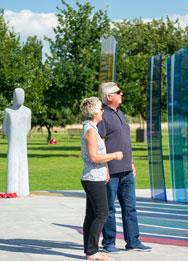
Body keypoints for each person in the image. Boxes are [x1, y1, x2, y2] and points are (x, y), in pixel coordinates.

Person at [98, 82, 152, 253]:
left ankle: (133, 241)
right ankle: (109, 243)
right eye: (118, 92)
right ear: (109, 97)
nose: (121, 94)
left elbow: (125, 142)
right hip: (111, 171)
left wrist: (132, 162)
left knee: (130, 207)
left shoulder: (120, 113)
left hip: (126, 170)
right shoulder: (102, 116)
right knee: (109, 209)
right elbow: (99, 143)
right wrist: (104, 166)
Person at [79, 97, 123, 261]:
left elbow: (96, 157)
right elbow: (93, 157)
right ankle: (92, 252)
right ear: (95, 112)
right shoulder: (90, 130)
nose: (103, 111)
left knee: (92, 215)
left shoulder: (92, 128)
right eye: (100, 108)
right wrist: (114, 155)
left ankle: (90, 252)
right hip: (92, 179)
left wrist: (105, 170)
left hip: (95, 177)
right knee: (102, 214)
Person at [2, 88, 31, 197]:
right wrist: (11, 138)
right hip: (13, 142)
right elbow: (5, 127)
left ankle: (23, 189)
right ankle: (11, 189)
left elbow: (28, 127)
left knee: (23, 165)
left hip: (22, 142)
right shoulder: (8, 111)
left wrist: (20, 136)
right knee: (12, 163)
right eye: (18, 96)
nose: (20, 98)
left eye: (22, 96)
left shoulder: (27, 111)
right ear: (14, 97)